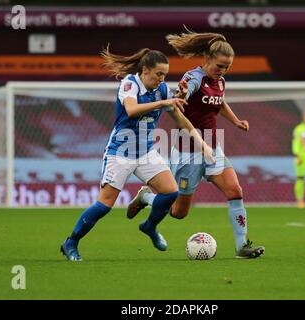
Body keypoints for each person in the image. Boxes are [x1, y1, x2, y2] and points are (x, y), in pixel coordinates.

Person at [60, 47, 214, 261]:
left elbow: (181, 119)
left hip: (146, 153)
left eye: (165, 75)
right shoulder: (130, 84)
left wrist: (202, 144)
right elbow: (132, 110)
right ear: (145, 70)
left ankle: (150, 227)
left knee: (170, 192)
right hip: (120, 153)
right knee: (104, 205)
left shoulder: (162, 90)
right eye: (159, 73)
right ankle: (71, 242)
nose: (162, 79)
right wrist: (164, 102)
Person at [127, 29, 265, 259]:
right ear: (207, 59)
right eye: (220, 65)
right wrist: (180, 93)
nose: (222, 71)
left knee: (235, 191)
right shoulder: (193, 79)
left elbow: (219, 103)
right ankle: (146, 197)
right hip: (187, 151)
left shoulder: (219, 81)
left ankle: (242, 246)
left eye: (227, 67)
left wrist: (235, 121)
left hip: (213, 147)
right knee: (178, 212)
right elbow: (183, 94)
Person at [291, 112, 305, 209]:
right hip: (302, 156)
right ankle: (300, 200)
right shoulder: (299, 129)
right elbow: (296, 142)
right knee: (300, 178)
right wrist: (297, 155)